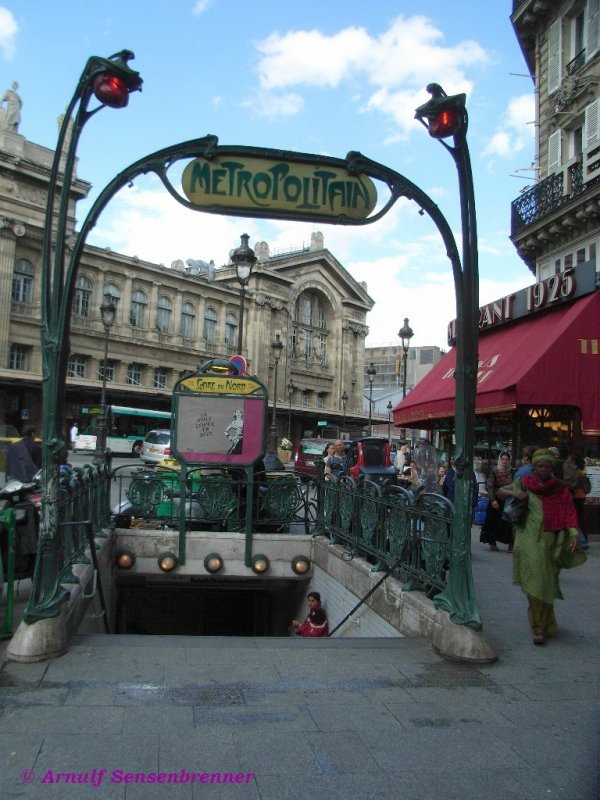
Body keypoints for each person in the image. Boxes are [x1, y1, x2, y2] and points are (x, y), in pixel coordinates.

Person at [500, 448, 586, 646]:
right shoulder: (524, 483)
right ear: (534, 467)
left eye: (547, 466)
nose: (544, 469)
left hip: (551, 540)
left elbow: (569, 511)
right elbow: (500, 492)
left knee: (547, 581)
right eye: (540, 466)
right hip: (528, 539)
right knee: (535, 580)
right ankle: (538, 627)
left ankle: (545, 621)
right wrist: (515, 492)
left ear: (551, 467)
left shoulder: (559, 489)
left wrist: (574, 534)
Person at [480, 450, 514, 552]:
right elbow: (490, 486)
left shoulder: (512, 471)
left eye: (506, 459)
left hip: (508, 500)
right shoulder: (494, 471)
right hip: (496, 499)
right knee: (493, 521)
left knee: (508, 522)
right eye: (502, 459)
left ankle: (510, 543)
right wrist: (493, 500)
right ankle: (492, 542)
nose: (504, 461)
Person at [562, 453, 590, 549]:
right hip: (580, 496)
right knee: (580, 518)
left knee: (575, 518)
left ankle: (582, 541)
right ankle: (584, 540)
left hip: (575, 497)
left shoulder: (575, 471)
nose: (566, 461)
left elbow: (572, 484)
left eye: (568, 459)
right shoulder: (579, 470)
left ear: (573, 461)